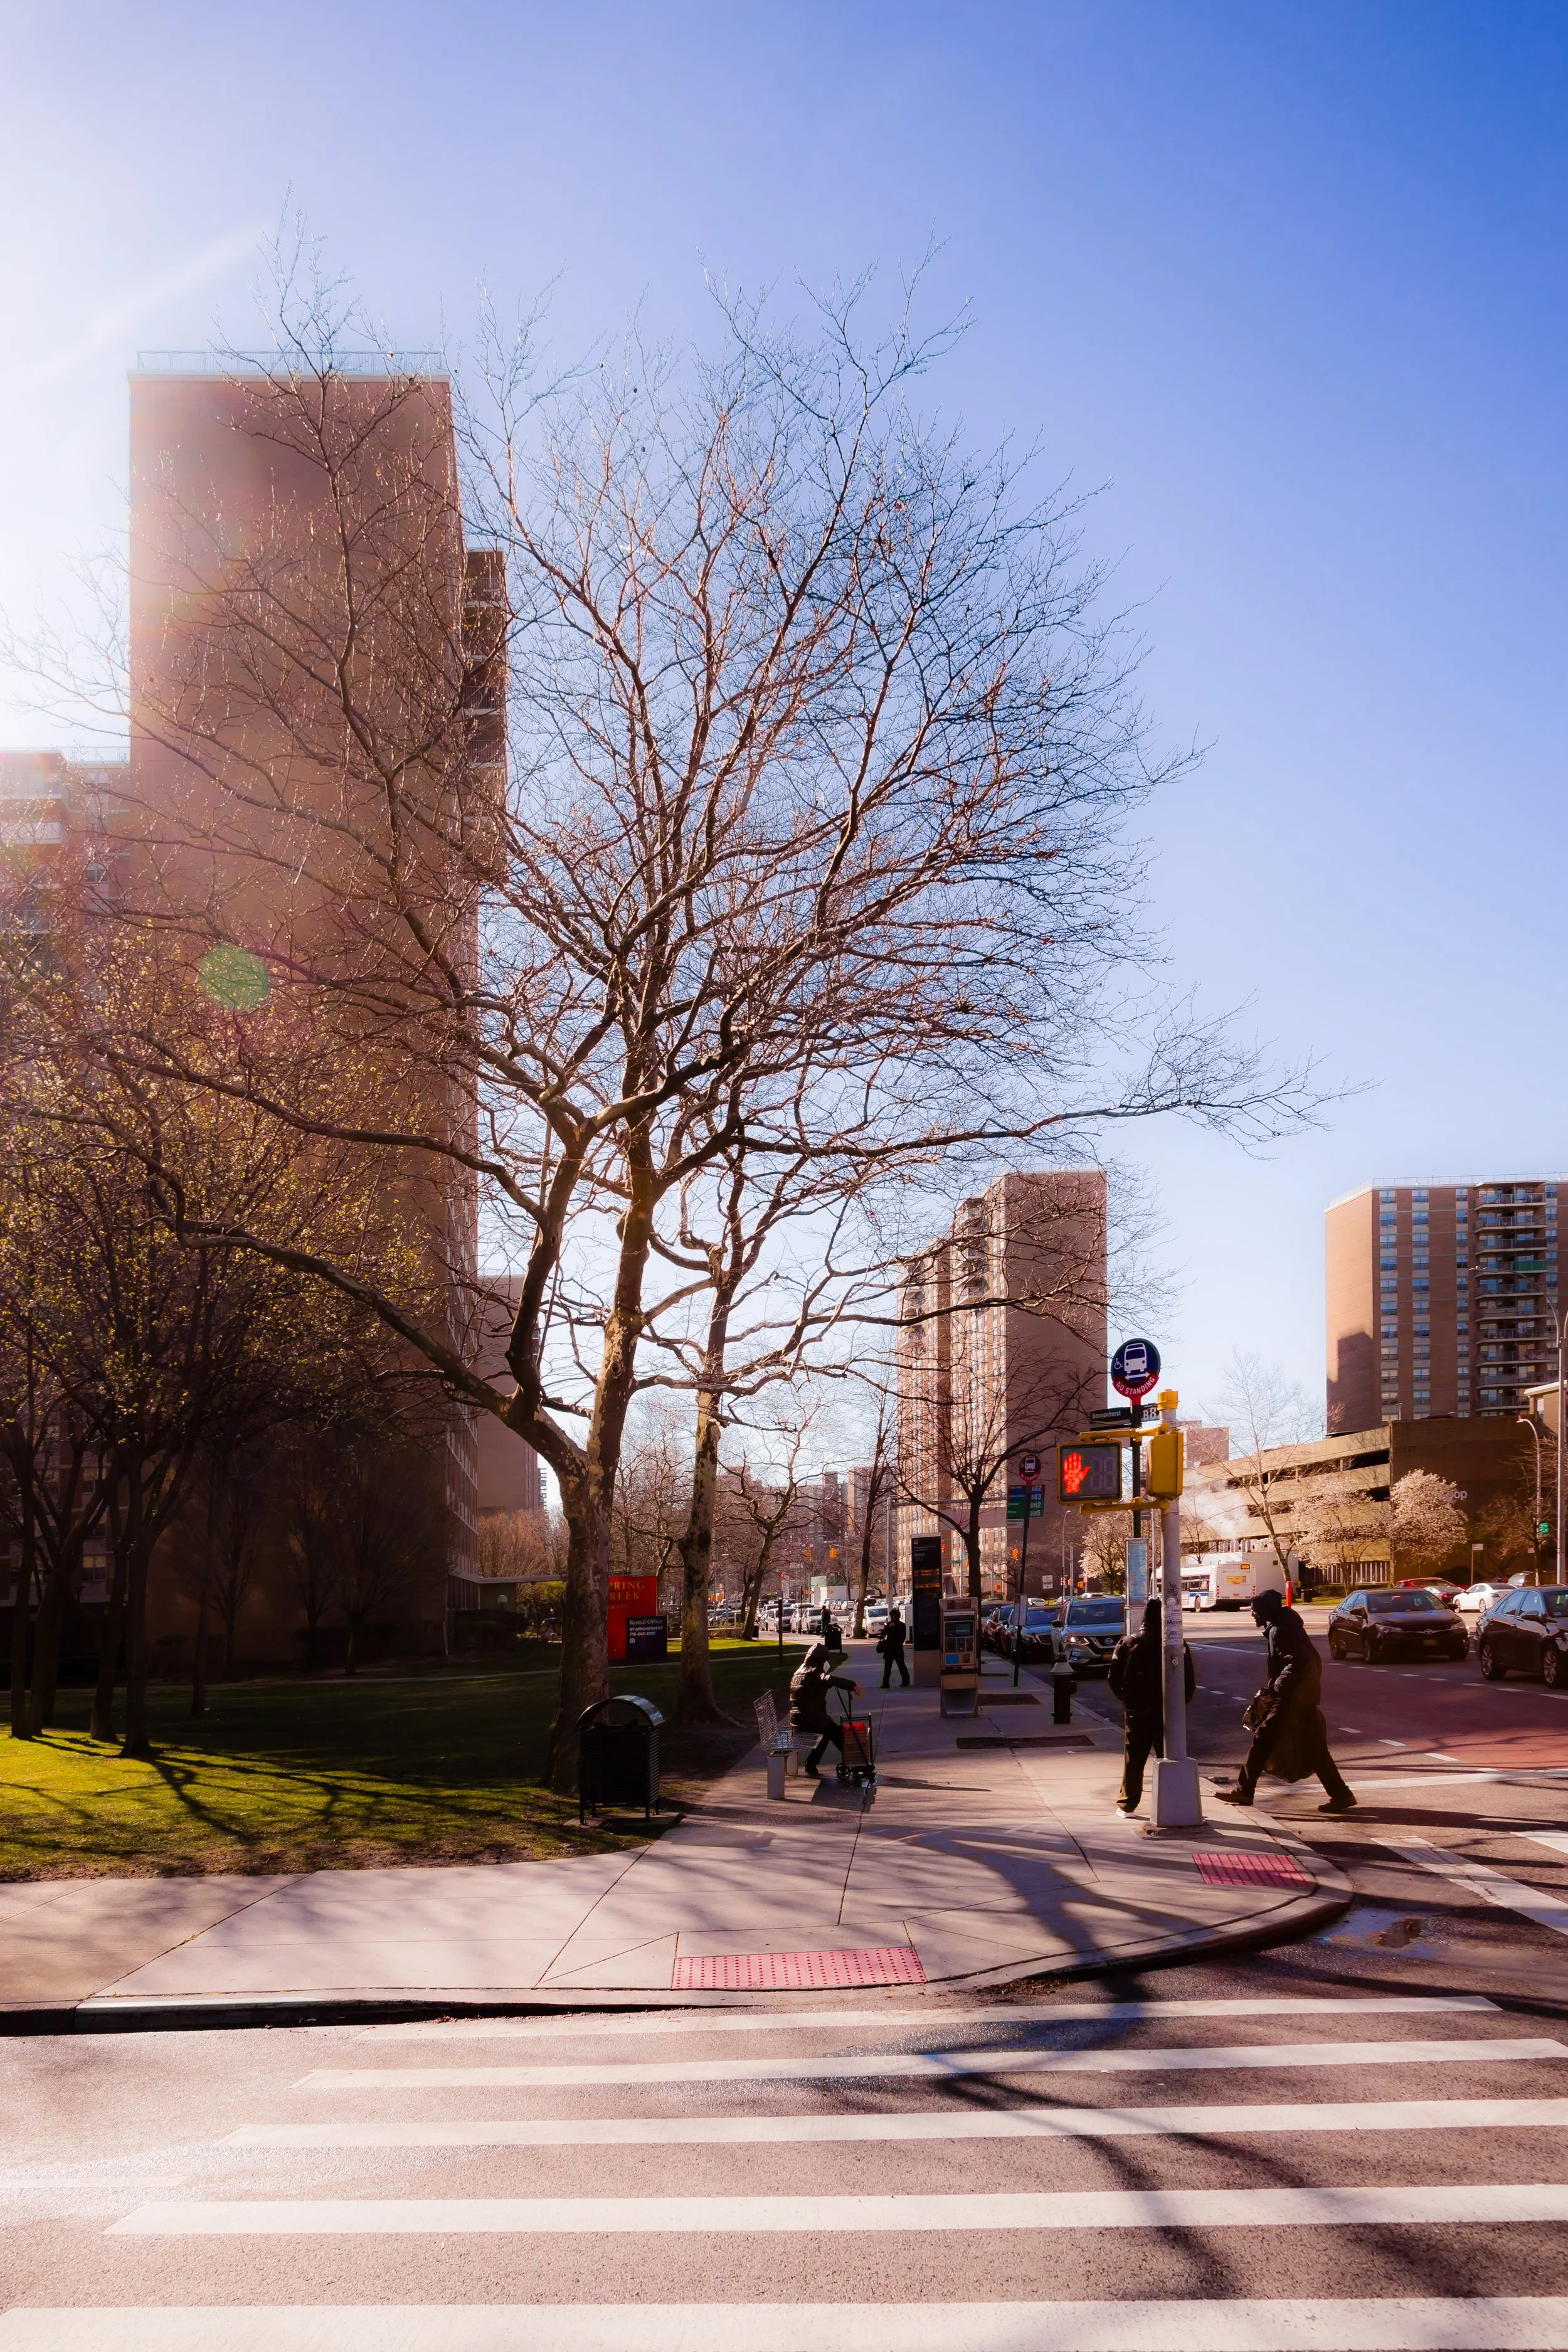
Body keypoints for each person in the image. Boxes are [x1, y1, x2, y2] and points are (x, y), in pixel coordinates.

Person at [1216, 1586, 1356, 1813]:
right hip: (1304, 1694)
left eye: (1254, 1610)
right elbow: (1312, 1659)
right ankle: (1341, 1794)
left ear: (1265, 1610)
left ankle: (1244, 1790)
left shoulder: (1280, 1630)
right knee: (1315, 1748)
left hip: (1292, 1696)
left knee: (1263, 1738)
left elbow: (1298, 1660)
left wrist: (1279, 1686)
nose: (1252, 1614)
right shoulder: (1286, 1626)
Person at [1106, 1596, 1194, 1816]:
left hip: (1139, 1712)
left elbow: (1114, 1678)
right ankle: (1176, 1804)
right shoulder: (1177, 1644)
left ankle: (1127, 1804)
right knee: (1171, 1757)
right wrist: (1179, 1705)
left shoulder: (1129, 1642)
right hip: (1169, 1712)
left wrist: (1127, 1702)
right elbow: (1189, 1682)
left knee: (1134, 1759)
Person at [788, 1641, 860, 1776]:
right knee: (832, 1730)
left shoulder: (799, 1672)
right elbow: (827, 1679)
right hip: (808, 1720)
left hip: (799, 1720)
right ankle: (855, 1761)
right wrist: (852, 1685)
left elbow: (813, 1688)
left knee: (828, 1730)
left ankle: (811, 1764)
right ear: (820, 1661)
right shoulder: (814, 1673)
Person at [877, 1607, 910, 1688]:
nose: (893, 1618)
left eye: (895, 1616)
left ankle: (906, 1681)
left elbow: (902, 1637)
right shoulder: (889, 1624)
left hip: (898, 1649)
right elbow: (883, 1634)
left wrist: (896, 1640)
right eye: (892, 1616)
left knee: (901, 1666)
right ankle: (886, 1683)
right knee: (887, 1667)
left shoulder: (902, 1625)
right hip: (889, 1649)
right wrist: (889, 1628)